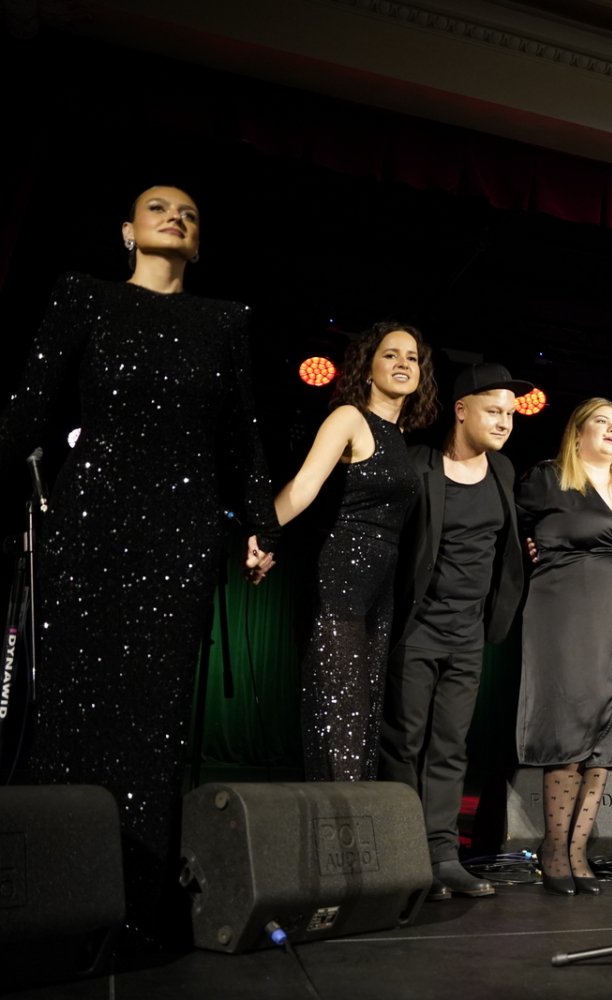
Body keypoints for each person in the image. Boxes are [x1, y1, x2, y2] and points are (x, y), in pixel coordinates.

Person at [0, 186, 280, 948]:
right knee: (71, 708)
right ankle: (56, 901)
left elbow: (243, 436)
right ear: (127, 230)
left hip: (181, 534)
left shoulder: (224, 321)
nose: (176, 217)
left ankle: (135, 909)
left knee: (154, 723)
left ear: (200, 242)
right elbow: (29, 407)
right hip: (87, 522)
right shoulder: (85, 297)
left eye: (190, 213)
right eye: (158, 208)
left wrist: (261, 525)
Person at [379, 363, 530, 901]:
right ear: (462, 410)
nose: (505, 422)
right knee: (404, 744)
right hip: (418, 629)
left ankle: (443, 856)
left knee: (450, 748)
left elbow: (506, 542)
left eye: (510, 414)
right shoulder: (420, 463)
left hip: (468, 635)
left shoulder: (503, 470)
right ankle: (403, 855)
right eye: (494, 411)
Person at [275, 321, 436, 781]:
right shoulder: (349, 417)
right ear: (367, 367)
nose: (403, 363)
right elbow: (305, 485)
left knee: (363, 717)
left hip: (380, 589)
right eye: (390, 354)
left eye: (412, 357)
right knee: (340, 711)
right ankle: (336, 819)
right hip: (340, 574)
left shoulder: (399, 437)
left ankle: (355, 819)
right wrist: (263, 534)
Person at [515, 398, 612, 896]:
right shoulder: (549, 478)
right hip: (567, 612)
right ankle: (553, 847)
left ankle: (578, 851)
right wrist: (527, 543)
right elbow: (510, 525)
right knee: (569, 727)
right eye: (602, 422)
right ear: (577, 432)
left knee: (603, 742)